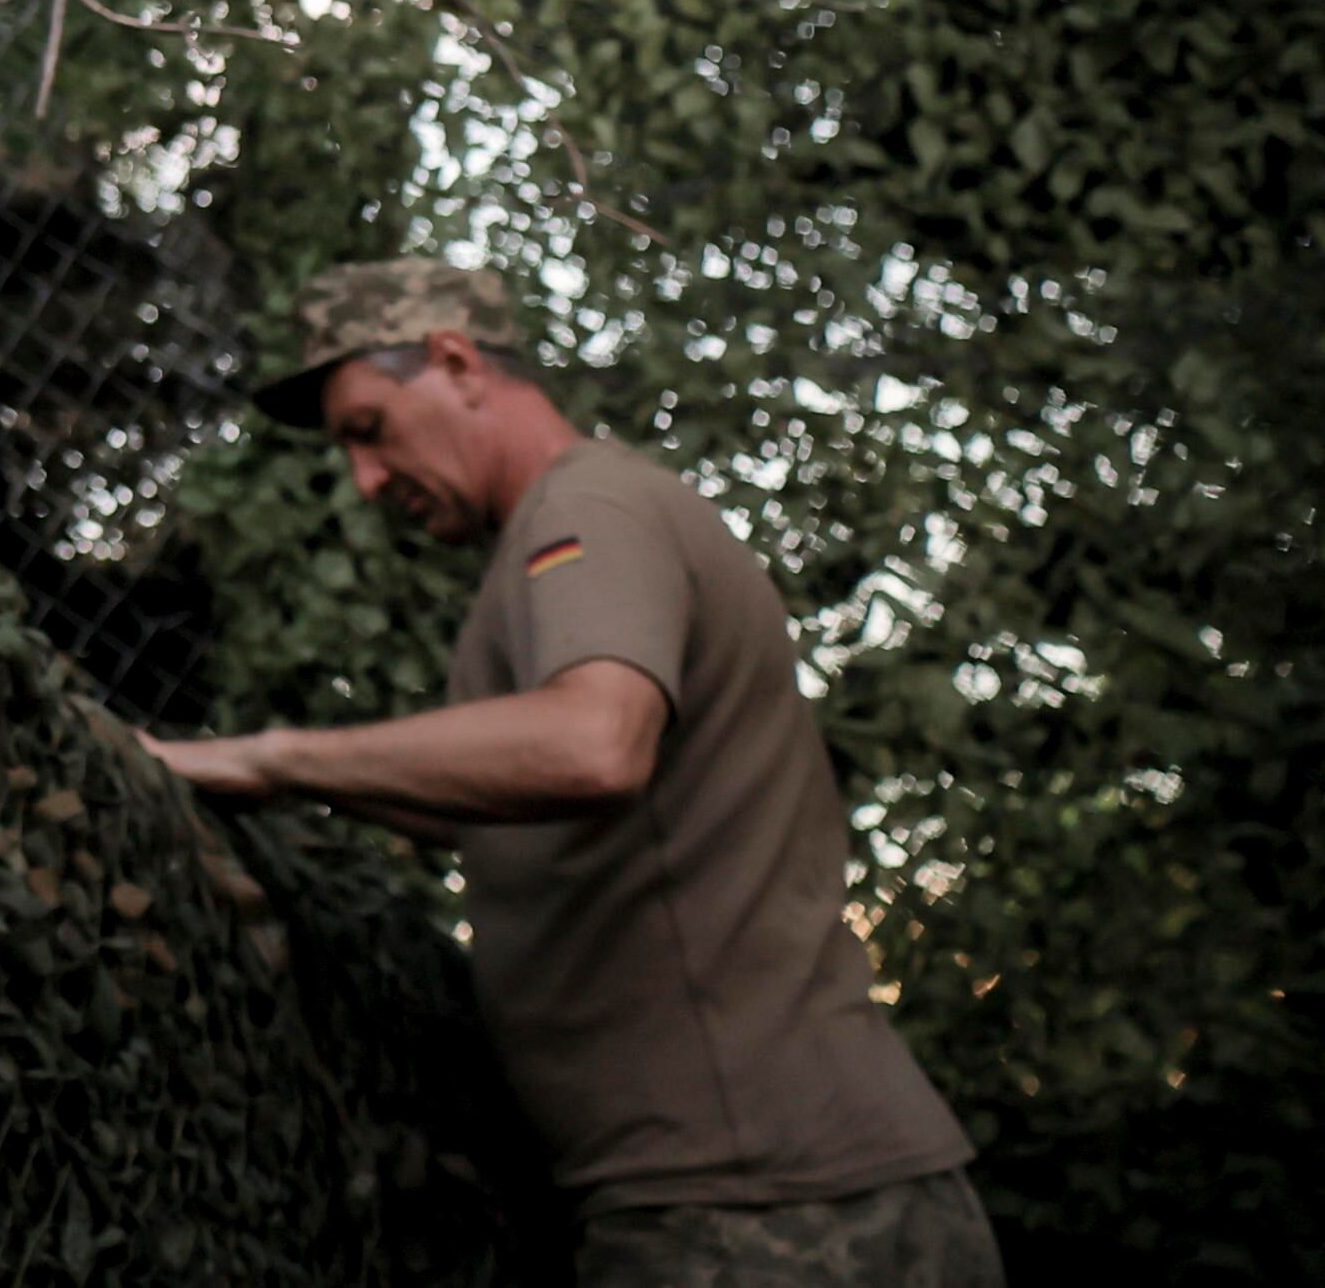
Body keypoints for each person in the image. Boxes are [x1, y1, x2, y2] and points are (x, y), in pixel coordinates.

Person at [148, 261, 993, 1288]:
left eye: (367, 428)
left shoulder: (582, 513)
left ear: (455, 363)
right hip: (761, 1189)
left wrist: (267, 754)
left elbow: (590, 747)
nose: (365, 479)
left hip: (761, 1209)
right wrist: (289, 785)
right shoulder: (561, 536)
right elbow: (504, 806)